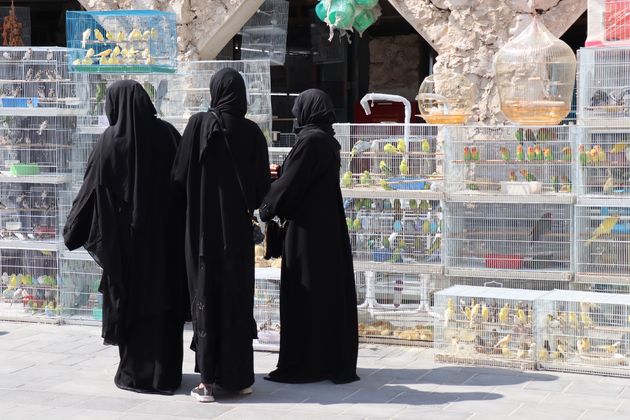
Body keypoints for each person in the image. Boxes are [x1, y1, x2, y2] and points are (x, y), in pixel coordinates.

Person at [63, 80, 188, 395]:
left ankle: (136, 374)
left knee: (134, 305)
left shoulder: (109, 142)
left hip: (127, 248)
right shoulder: (169, 135)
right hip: (167, 244)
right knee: (165, 302)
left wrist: (72, 231)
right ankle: (167, 374)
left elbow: (90, 189)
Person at [171, 68, 271, 402]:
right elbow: (260, 193)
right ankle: (239, 377)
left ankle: (208, 382)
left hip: (201, 232)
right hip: (237, 236)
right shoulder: (253, 133)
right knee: (236, 300)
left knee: (206, 298)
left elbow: (179, 176)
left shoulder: (199, 125)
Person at [259, 89, 359, 384]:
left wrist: (265, 208)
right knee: (323, 296)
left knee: (305, 295)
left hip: (307, 233)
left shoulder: (311, 141)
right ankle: (326, 359)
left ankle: (306, 363)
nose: (295, 114)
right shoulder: (326, 140)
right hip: (324, 230)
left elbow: (292, 186)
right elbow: (301, 178)